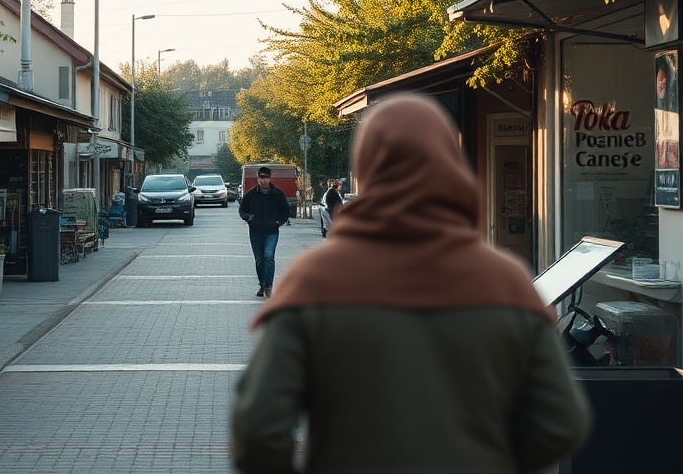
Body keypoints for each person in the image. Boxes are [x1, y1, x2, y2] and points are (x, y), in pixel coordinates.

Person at [231, 94, 591, 474]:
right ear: (449, 163)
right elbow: (561, 422)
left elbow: (258, 429)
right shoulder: (504, 281)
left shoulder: (315, 280)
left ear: (367, 167)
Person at [238, 165, 290, 298]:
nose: (263, 180)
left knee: (268, 256)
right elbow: (242, 210)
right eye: (261, 177)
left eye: (266, 177)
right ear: (258, 178)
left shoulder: (277, 194)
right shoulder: (251, 194)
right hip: (255, 232)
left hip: (272, 231)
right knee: (259, 260)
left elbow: (285, 211)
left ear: (270, 178)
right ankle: (262, 284)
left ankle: (269, 286)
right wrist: (249, 218)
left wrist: (278, 222)